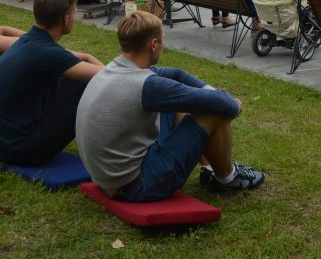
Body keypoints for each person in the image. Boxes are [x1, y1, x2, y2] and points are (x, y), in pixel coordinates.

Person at [76, 11, 264, 200]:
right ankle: (227, 177)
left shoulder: (114, 69)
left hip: (109, 178)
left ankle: (209, 168)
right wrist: (233, 103)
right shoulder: (147, 85)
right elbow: (224, 106)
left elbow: (176, 74)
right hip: (135, 186)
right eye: (162, 40)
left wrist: (210, 90)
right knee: (213, 111)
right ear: (154, 44)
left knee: (183, 102)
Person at [0, 0, 103, 165]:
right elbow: (112, 78)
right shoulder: (48, 54)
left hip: (6, 141)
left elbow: (78, 58)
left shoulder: (28, 41)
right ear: (66, 18)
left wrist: (87, 57)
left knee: (73, 76)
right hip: (21, 150)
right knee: (90, 84)